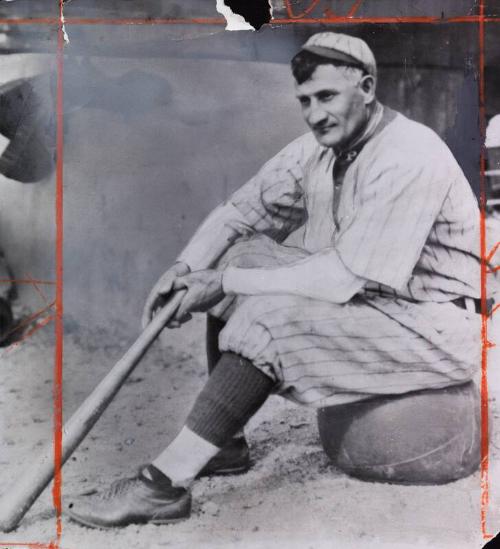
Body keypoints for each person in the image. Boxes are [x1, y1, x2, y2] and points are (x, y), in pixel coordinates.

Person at [67, 32, 483, 528]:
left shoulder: (409, 152)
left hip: (434, 325)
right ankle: (221, 443)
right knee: (243, 256)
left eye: (327, 97)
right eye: (305, 100)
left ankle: (163, 486)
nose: (314, 114)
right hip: (381, 307)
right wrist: (185, 268)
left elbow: (341, 278)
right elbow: (242, 212)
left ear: (367, 87)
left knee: (265, 310)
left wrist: (223, 281)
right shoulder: (319, 150)